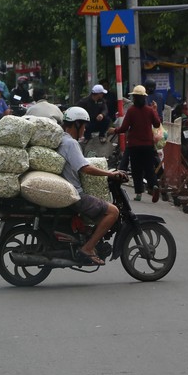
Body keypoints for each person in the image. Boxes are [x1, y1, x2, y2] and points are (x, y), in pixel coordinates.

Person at [56, 107, 126, 265]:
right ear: (77, 124)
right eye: (84, 125)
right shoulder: (71, 143)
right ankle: (88, 248)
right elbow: (85, 168)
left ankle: (85, 237)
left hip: (67, 191)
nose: (85, 129)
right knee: (113, 212)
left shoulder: (62, 139)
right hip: (75, 195)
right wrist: (110, 174)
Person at [110, 85, 162, 202]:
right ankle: (154, 186)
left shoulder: (131, 111)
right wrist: (155, 111)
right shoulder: (149, 110)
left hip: (134, 145)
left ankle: (138, 193)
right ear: (144, 97)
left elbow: (124, 128)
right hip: (148, 145)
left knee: (136, 169)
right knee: (149, 167)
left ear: (134, 98)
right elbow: (157, 124)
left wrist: (114, 130)